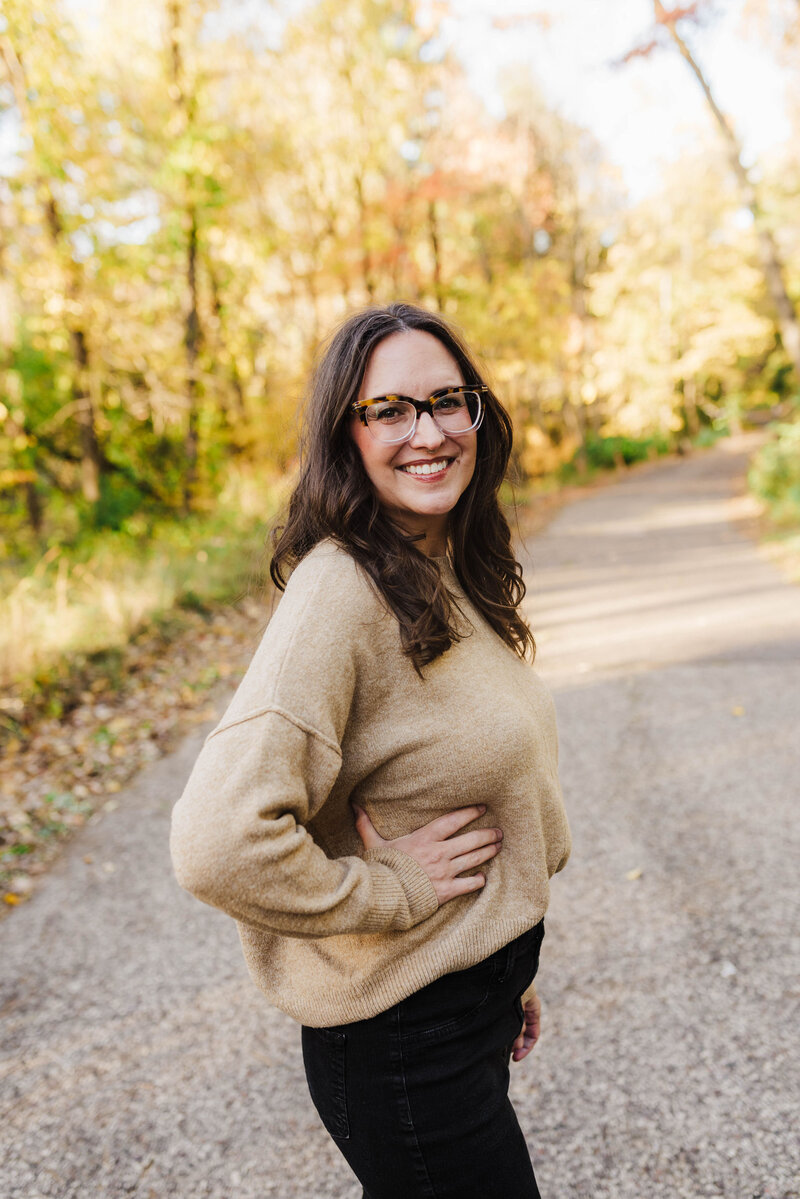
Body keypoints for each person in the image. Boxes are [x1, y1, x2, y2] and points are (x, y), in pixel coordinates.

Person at [169, 302, 571, 1199]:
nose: (427, 432)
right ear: (344, 434)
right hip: (404, 1042)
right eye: (389, 409)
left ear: (477, 412)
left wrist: (500, 952)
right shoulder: (339, 591)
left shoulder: (444, 564)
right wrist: (396, 890)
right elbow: (215, 841)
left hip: (460, 1005)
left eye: (446, 401)